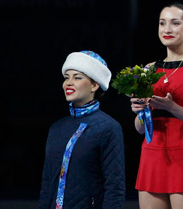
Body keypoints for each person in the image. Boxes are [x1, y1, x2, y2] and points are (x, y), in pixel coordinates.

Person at [130, 3, 183, 209]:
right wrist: (140, 111)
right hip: (151, 154)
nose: (167, 29)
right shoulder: (149, 69)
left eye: (175, 23)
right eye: (162, 23)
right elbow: (139, 129)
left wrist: (172, 107)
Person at [39, 50, 125, 209]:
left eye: (77, 77)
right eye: (67, 77)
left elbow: (115, 187)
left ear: (95, 85)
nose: (68, 83)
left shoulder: (108, 128)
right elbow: (46, 184)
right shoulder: (57, 128)